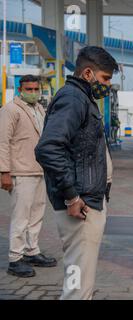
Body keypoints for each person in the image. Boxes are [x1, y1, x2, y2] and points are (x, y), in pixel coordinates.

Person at [35, 46, 117, 300]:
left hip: (87, 199)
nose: (107, 85)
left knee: (79, 278)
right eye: (105, 79)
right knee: (77, 284)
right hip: (80, 205)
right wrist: (71, 196)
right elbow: (48, 148)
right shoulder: (73, 99)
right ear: (89, 73)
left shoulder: (81, 97)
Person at [0, 75, 57, 278]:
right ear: (20, 89)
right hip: (20, 171)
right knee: (21, 217)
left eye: (35, 89)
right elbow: (3, 142)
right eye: (29, 89)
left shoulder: (39, 109)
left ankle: (32, 251)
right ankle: (15, 259)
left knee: (36, 215)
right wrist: (4, 172)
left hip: (39, 170)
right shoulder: (10, 110)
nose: (33, 92)